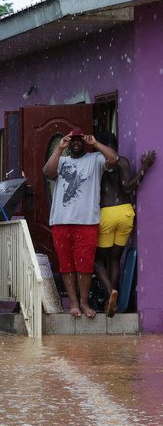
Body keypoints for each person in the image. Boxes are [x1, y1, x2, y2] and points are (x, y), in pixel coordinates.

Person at [43, 128, 118, 318]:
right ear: (69, 142)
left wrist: (96, 144)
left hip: (87, 222)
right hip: (61, 222)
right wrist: (60, 148)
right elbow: (47, 172)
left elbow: (114, 159)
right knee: (66, 265)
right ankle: (74, 304)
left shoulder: (95, 159)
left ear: (84, 142)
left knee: (85, 266)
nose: (76, 142)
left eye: (79, 139)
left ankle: (84, 303)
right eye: (72, 139)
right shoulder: (62, 161)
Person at [93, 131, 155, 317]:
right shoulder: (122, 161)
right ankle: (113, 301)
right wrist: (145, 166)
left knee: (97, 260)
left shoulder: (97, 164)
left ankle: (110, 290)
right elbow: (128, 187)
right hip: (126, 212)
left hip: (106, 214)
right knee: (114, 259)